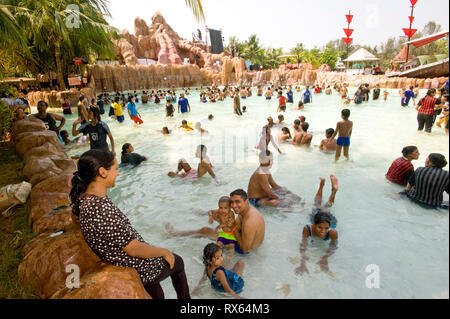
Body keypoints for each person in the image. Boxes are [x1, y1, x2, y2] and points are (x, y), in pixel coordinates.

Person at [70, 149, 190, 299]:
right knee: (177, 262)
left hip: (118, 258)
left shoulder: (86, 200)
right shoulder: (100, 208)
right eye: (115, 169)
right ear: (102, 172)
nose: (118, 173)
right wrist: (164, 251)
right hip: (132, 263)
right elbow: (133, 249)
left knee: (157, 293)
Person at [295, 175, 339, 275]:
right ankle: (323, 186)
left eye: (326, 228)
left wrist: (325, 258)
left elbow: (333, 247)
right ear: (314, 224)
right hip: (316, 216)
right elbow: (303, 245)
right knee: (318, 205)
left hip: (329, 219)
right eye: (319, 228)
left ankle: (331, 189)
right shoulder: (307, 228)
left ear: (329, 227)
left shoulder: (332, 232)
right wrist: (303, 263)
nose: (323, 231)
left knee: (325, 206)